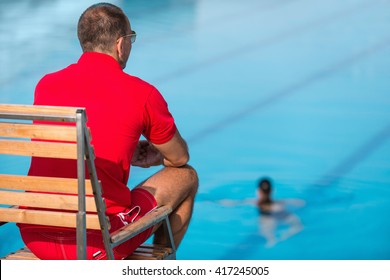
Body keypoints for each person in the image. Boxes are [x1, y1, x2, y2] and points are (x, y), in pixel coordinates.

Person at [17, 2, 198, 260]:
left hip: (36, 235)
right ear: (121, 43)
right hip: (94, 246)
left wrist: (125, 150)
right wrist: (160, 156)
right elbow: (179, 158)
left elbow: (74, 148)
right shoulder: (142, 94)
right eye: (131, 39)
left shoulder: (46, 85)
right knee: (186, 177)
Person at [218, 177, 304, 247]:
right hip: (279, 211)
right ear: (272, 190)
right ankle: (285, 236)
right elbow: (298, 202)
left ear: (258, 191)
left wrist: (218, 202)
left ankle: (272, 240)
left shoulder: (255, 202)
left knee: (268, 235)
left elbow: (234, 203)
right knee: (298, 226)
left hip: (267, 219)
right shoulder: (279, 202)